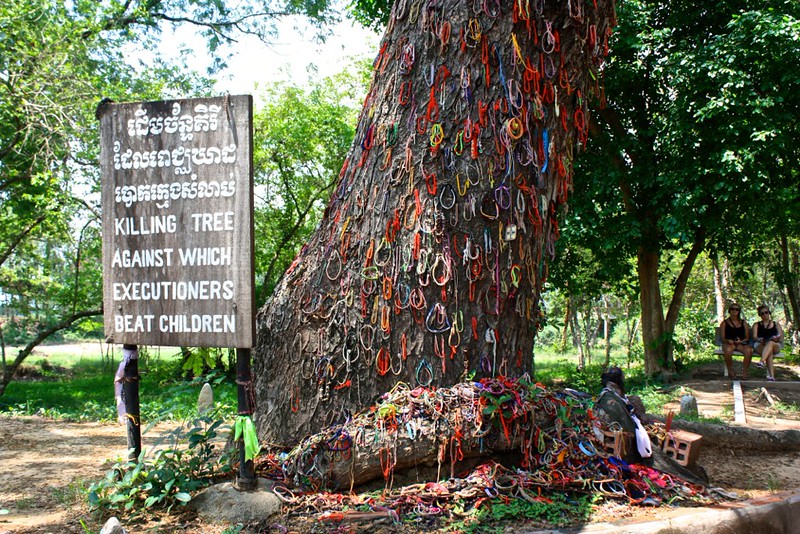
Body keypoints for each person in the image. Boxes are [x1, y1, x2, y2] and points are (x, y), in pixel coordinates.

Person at [719, 303, 752, 379]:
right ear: (729, 311)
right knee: (728, 350)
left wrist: (740, 341)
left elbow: (747, 337)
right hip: (729, 343)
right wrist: (728, 341)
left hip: (740, 343)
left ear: (739, 311)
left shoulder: (743, 323)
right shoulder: (724, 323)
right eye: (732, 309)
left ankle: (744, 372)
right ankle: (731, 371)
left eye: (736, 309)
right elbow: (722, 338)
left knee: (748, 350)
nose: (734, 311)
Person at [753, 305, 784, 381]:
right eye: (762, 313)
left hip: (775, 345)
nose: (764, 315)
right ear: (760, 315)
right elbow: (754, 337)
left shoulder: (776, 324)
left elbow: (781, 338)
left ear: (769, 313)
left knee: (770, 343)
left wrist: (776, 338)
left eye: (766, 312)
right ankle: (772, 376)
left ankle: (762, 361)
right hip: (760, 345)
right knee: (769, 352)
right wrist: (760, 339)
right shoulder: (756, 325)